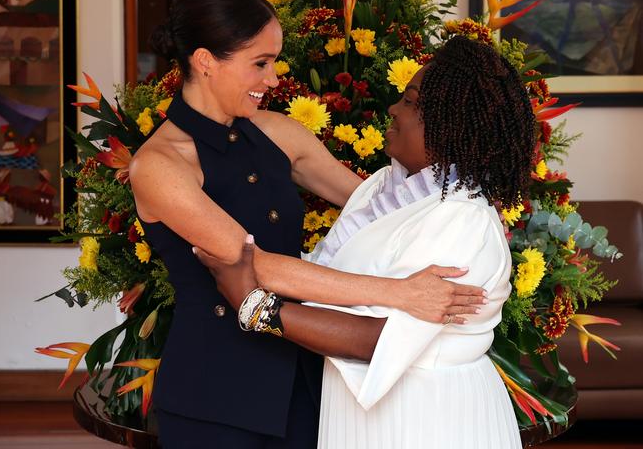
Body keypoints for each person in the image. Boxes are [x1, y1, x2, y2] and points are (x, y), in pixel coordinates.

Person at [130, 0, 486, 448]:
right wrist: (402, 294)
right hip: (216, 394)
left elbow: (384, 208)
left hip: (310, 379)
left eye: (274, 62)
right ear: (205, 61)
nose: (273, 79)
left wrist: (470, 209)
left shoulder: (278, 131)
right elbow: (255, 265)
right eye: (260, 63)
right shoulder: (158, 166)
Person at [195, 35, 536, 448]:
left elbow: (376, 339)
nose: (393, 108)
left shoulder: (462, 221)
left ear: (450, 126)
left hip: (428, 418)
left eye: (410, 101)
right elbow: (329, 278)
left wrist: (255, 305)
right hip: (366, 408)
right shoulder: (383, 187)